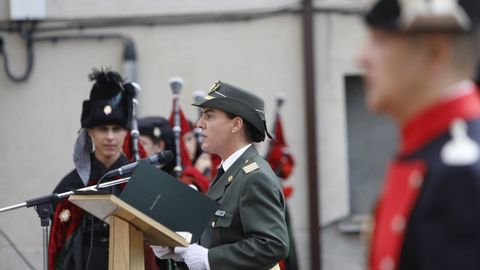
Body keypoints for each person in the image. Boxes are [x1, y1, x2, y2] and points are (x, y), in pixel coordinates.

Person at [357, 0, 480, 269]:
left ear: (434, 53)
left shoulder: (460, 172)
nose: (362, 57)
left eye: (380, 40)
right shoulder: (430, 150)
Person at [152, 81, 289, 269]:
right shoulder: (229, 172)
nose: (199, 124)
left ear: (236, 124)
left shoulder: (254, 177)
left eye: (209, 116)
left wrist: (209, 258)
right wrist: (179, 251)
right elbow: (220, 239)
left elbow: (273, 245)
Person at [48, 69, 143, 270]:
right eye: (103, 129)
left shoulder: (140, 180)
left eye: (116, 129)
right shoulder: (72, 185)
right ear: (90, 132)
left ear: (126, 132)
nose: (110, 137)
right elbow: (59, 250)